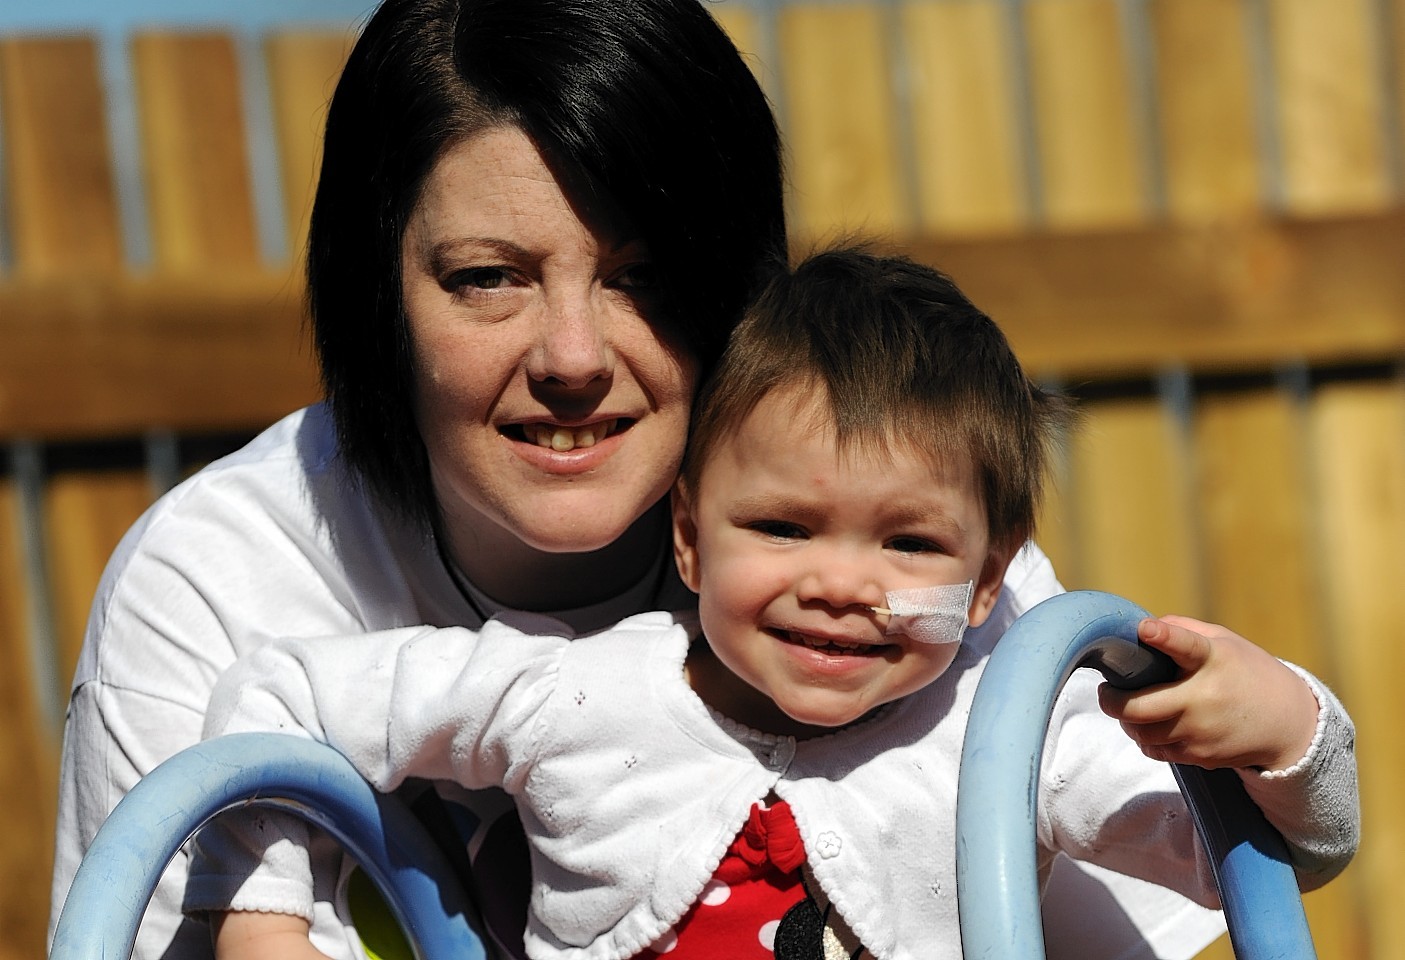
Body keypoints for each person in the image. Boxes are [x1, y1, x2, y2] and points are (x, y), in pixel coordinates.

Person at [40, 0, 1242, 957]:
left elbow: (1128, 916)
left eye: (640, 275)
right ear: (378, 298)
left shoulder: (893, 554)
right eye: (485, 278)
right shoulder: (220, 588)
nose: (571, 356)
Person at [189, 248, 1357, 960]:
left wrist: (1291, 731)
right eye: (783, 527)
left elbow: (1266, 861)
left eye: (906, 542)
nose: (839, 582)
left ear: (990, 578)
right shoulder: (565, 690)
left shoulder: (1005, 739)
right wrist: (267, 921)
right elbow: (280, 690)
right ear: (691, 535)